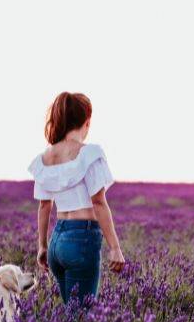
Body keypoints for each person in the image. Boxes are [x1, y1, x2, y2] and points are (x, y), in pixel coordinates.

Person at [28, 92, 125, 306]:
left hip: (57, 242)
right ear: (86, 122)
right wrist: (115, 247)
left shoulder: (45, 158)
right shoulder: (89, 153)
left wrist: (42, 246)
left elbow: (44, 206)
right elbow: (99, 202)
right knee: (81, 319)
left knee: (70, 317)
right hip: (82, 238)